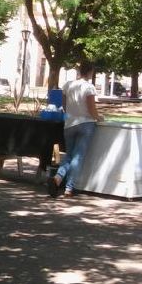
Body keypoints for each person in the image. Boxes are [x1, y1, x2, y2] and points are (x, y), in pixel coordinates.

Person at [48, 60, 104, 198]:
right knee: (78, 157)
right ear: (90, 72)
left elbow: (64, 106)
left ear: (79, 71)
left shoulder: (68, 85)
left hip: (69, 124)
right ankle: (69, 188)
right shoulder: (89, 87)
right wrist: (99, 117)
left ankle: (57, 178)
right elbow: (91, 109)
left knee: (69, 156)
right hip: (86, 124)